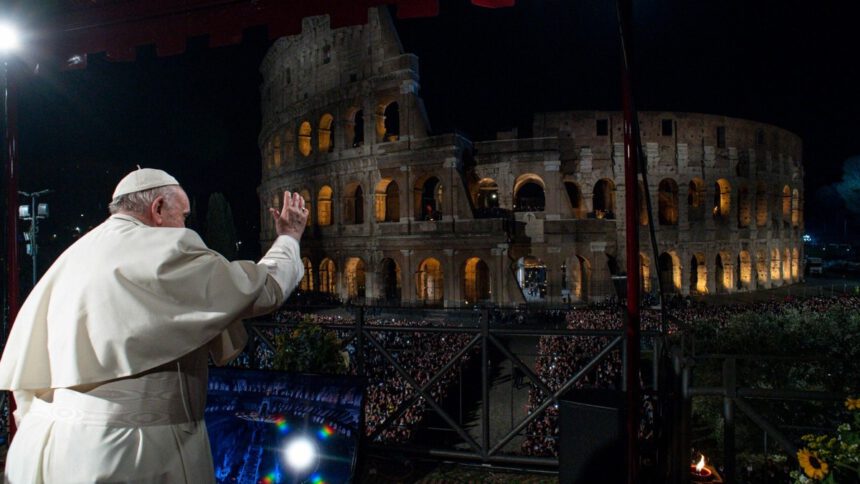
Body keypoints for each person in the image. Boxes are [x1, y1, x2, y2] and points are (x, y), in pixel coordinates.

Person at [0, 168, 308, 483]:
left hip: (41, 444)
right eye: (184, 216)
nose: (186, 225)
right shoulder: (168, 248)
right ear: (158, 209)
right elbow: (261, 289)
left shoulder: (73, 255)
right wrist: (288, 237)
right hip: (128, 452)